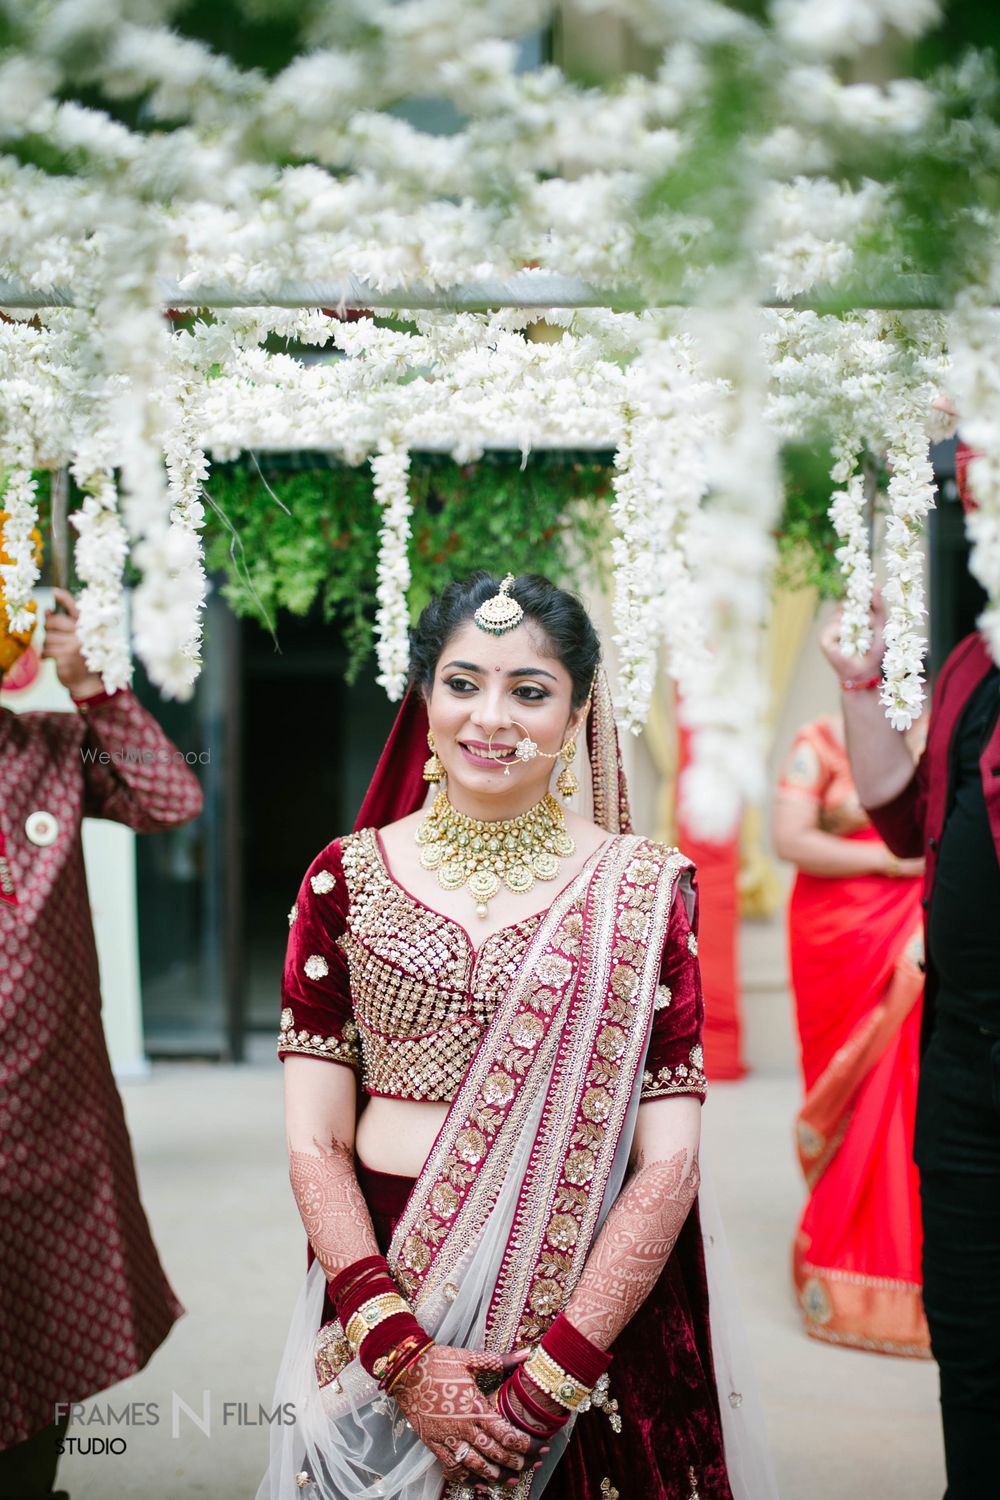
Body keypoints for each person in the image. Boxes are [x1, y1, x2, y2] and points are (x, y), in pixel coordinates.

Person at [262, 572, 772, 1500]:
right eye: (463, 683)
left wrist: (551, 1378)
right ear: (424, 697)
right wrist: (400, 1353)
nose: (490, 717)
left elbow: (668, 1166)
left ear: (578, 712)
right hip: (385, 1269)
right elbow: (315, 1141)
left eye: (529, 691)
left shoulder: (645, 890)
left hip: (587, 1294)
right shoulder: (344, 879)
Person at [0, 590, 203, 1500]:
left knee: (44, 1342)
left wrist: (90, 687)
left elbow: (171, 795)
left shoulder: (45, 752)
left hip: (51, 1123)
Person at [820, 595, 1000, 1500]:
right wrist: (861, 679)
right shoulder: (976, 659)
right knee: (969, 1327)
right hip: (965, 1049)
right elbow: (904, 815)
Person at [773, 710, 930, 1356]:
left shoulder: (955, 728)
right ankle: (848, 1242)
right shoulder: (824, 738)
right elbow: (791, 840)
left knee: (911, 1077)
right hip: (839, 931)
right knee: (850, 1081)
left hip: (922, 924)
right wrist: (898, 865)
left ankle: (919, 1262)